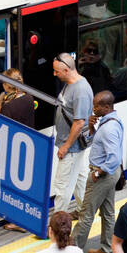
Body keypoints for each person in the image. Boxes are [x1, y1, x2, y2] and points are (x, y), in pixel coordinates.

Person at [70, 91, 124, 253]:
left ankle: (72, 252)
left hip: (102, 175)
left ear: (106, 107)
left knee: (86, 213)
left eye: (96, 106)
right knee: (108, 212)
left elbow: (113, 157)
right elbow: (98, 144)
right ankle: (107, 249)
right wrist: (92, 128)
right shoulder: (112, 122)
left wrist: (98, 173)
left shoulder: (108, 128)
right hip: (112, 174)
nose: (93, 109)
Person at [50, 53, 95, 219]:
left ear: (67, 70)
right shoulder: (71, 83)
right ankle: (84, 211)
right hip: (74, 146)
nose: (55, 74)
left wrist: (65, 146)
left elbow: (79, 123)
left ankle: (57, 222)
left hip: (72, 148)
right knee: (80, 178)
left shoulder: (81, 91)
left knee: (62, 186)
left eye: (57, 71)